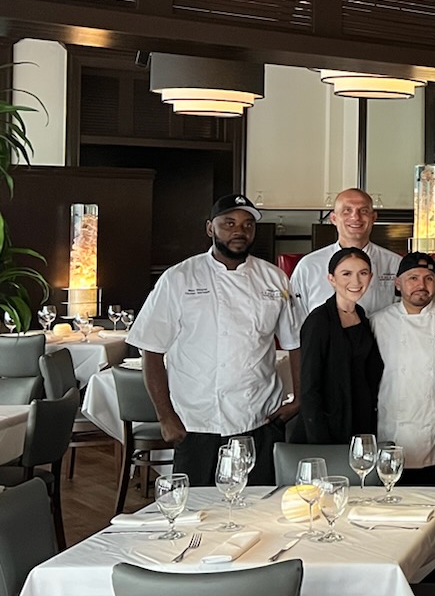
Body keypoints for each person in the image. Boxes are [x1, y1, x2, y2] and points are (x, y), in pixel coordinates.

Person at [128, 195, 301, 485]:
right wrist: (165, 416)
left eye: (247, 225)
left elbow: (295, 341)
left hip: (259, 417)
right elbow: (152, 349)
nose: (239, 231)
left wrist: (300, 397)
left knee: (259, 510)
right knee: (195, 512)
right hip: (197, 421)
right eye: (229, 223)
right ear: (211, 228)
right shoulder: (179, 278)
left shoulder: (275, 279)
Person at [370, 252, 435, 486]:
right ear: (398, 283)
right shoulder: (378, 322)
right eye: (413, 278)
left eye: (429, 278)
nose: (421, 285)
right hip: (391, 433)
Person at [296, 246, 385, 445]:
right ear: (332, 279)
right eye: (346, 274)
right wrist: (320, 442)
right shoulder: (319, 321)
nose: (356, 281)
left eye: (362, 273)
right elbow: (309, 389)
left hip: (360, 422)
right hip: (327, 427)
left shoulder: (361, 315)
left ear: (370, 277)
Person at [289, 188, 401, 326]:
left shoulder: (395, 264)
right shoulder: (309, 266)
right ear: (334, 219)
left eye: (364, 211)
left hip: (382, 345)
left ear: (373, 218)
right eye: (347, 210)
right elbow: (295, 321)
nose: (356, 217)